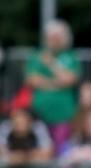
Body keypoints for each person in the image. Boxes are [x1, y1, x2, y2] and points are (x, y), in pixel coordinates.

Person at [25, 18, 81, 156]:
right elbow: (32, 80)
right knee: (41, 149)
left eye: (57, 37)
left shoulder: (71, 57)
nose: (53, 41)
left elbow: (70, 79)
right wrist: (57, 83)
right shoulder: (37, 56)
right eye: (51, 37)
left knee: (61, 150)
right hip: (39, 114)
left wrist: (51, 63)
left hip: (63, 114)